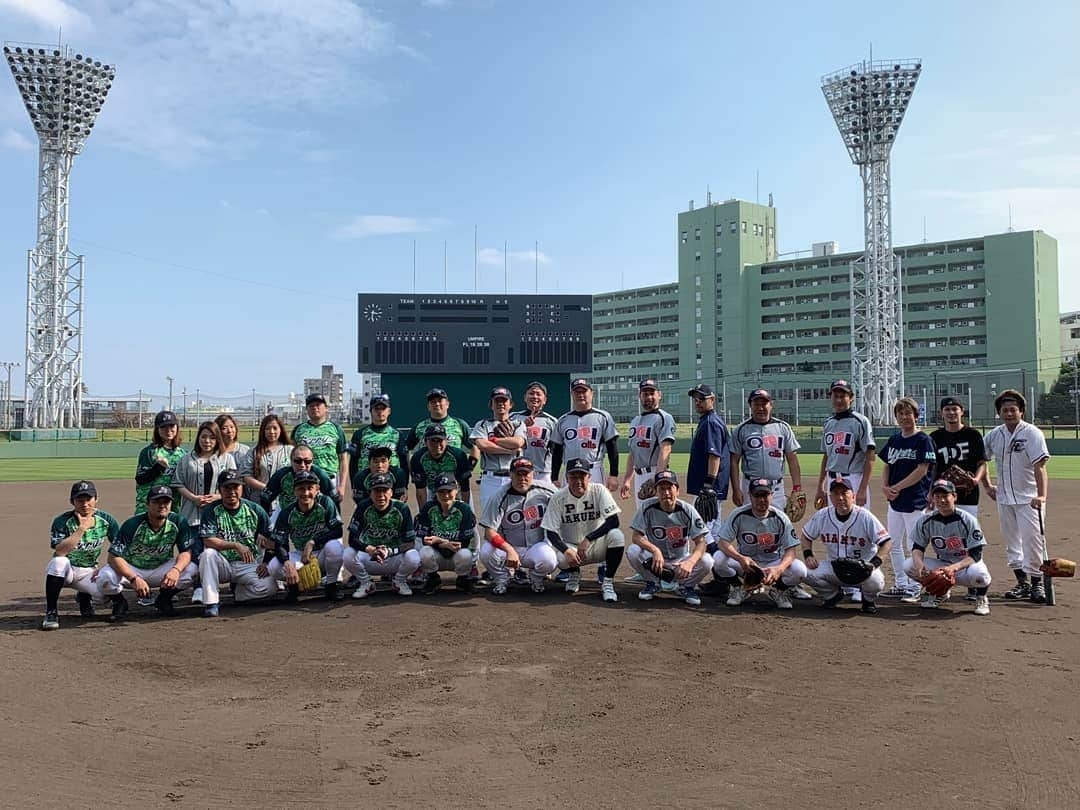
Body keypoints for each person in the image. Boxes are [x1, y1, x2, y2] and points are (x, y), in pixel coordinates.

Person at [983, 389, 1051, 603]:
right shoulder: (995, 434)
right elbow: (980, 459)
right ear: (999, 413)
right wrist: (987, 485)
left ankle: (1037, 585)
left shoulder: (1032, 433)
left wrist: (1042, 496)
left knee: (1033, 542)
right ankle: (1022, 583)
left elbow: (1040, 467)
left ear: (1021, 411)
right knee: (1012, 543)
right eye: (1005, 410)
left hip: (1029, 499)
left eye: (1013, 409)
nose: (1009, 413)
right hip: (1004, 498)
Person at [98, 485, 197, 622]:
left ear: (171, 504)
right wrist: (134, 578)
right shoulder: (133, 524)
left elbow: (186, 552)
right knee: (105, 577)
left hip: (160, 569)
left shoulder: (178, 522)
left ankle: (164, 599)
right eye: (156, 502)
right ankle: (119, 603)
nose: (161, 506)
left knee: (192, 569)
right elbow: (113, 557)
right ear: (147, 504)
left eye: (165, 502)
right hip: (132, 568)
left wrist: (175, 569)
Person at [800, 476, 892, 615]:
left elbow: (887, 542)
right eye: (836, 494)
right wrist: (808, 555)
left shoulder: (865, 517)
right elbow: (806, 536)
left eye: (844, 493)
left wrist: (873, 564)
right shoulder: (823, 515)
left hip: (862, 570)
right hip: (834, 569)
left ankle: (868, 601)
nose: (840, 497)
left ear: (853, 496)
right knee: (804, 571)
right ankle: (833, 596)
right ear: (830, 497)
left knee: (876, 580)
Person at [712, 478, 807, 609]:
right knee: (718, 559)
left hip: (773, 563)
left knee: (800, 570)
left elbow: (791, 551)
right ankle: (741, 589)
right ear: (749, 496)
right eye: (757, 495)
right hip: (747, 564)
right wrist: (740, 558)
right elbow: (722, 542)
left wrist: (779, 569)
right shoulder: (738, 515)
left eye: (765, 495)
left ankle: (778, 591)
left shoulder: (780, 517)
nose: (761, 499)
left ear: (771, 495)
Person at [877, 397, 937, 603]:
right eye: (900, 413)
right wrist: (886, 487)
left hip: (915, 500)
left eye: (908, 413)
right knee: (893, 544)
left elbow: (922, 470)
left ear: (916, 415)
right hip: (895, 501)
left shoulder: (923, 440)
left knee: (914, 545)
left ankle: (915, 586)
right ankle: (901, 584)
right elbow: (886, 465)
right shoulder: (894, 440)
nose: (904, 417)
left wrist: (897, 487)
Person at [905, 479, 993, 615]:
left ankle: (981, 597)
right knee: (908, 565)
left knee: (980, 576)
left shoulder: (967, 520)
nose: (941, 500)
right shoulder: (926, 521)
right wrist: (919, 566)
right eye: (937, 497)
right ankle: (940, 593)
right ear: (932, 499)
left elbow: (976, 554)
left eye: (945, 496)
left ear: (954, 497)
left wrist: (953, 568)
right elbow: (918, 547)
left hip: (966, 566)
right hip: (944, 564)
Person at [541, 458, 624, 602]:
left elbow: (614, 520)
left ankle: (608, 582)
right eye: (573, 476)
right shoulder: (558, 497)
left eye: (582, 476)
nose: (578, 481)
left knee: (617, 536)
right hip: (572, 548)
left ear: (589, 477)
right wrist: (567, 551)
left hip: (597, 545)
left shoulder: (599, 490)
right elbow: (551, 532)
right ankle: (574, 574)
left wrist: (589, 538)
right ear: (566, 478)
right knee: (558, 558)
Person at [41, 480, 120, 630]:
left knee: (105, 594)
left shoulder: (107, 520)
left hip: (88, 572)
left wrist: (105, 569)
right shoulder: (62, 521)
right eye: (79, 500)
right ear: (72, 501)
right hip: (66, 572)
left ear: (96, 499)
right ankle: (51, 612)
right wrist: (82, 528)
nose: (85, 504)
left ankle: (84, 597)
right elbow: (60, 551)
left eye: (88, 499)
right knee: (58, 562)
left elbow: (119, 548)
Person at [196, 469, 276, 618]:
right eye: (227, 487)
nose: (231, 491)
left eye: (235, 487)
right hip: (223, 562)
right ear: (220, 489)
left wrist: (266, 561)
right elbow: (208, 540)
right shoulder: (212, 510)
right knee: (208, 555)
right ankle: (211, 603)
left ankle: (239, 592)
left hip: (248, 563)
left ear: (242, 488)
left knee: (270, 587)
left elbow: (271, 538)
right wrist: (235, 545)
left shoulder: (255, 510)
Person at [930, 396, 987, 601]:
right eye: (947, 409)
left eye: (955, 409)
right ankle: (945, 582)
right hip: (943, 496)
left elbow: (982, 462)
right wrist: (931, 493)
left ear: (962, 411)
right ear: (942, 413)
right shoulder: (935, 436)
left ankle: (972, 584)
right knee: (943, 539)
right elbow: (933, 468)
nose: (951, 412)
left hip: (968, 495)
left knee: (968, 538)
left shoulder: (972, 434)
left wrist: (976, 480)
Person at [626, 471, 711, 607]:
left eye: (669, 488)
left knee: (707, 561)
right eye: (662, 488)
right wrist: (654, 550)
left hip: (680, 562)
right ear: (656, 491)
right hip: (656, 562)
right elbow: (636, 537)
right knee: (633, 551)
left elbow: (701, 542)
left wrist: (690, 562)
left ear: (677, 490)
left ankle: (685, 587)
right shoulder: (647, 507)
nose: (666, 493)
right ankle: (653, 582)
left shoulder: (687, 510)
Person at [478, 457, 559, 595]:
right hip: (507, 547)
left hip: (536, 546)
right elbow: (489, 532)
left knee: (549, 559)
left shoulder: (547, 490)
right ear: (510, 475)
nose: (522, 478)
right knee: (486, 552)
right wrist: (509, 549)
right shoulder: (499, 496)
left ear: (533, 474)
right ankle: (502, 578)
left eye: (526, 473)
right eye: (518, 474)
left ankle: (536, 578)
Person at [269, 470, 346, 601]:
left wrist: (313, 542)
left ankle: (331, 585)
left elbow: (337, 531)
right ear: (294, 491)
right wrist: (287, 562)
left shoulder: (325, 503)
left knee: (335, 547)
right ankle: (294, 586)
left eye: (310, 488)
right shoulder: (287, 512)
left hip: (322, 553)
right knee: (274, 566)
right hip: (300, 554)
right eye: (301, 489)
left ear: (317, 489)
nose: (305, 493)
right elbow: (280, 542)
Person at [342, 473, 420, 598]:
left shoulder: (402, 508)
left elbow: (410, 542)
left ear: (391, 492)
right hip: (370, 557)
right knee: (347, 554)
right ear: (370, 493)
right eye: (377, 491)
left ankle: (399, 581)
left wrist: (390, 551)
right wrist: (370, 549)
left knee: (414, 556)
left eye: (385, 490)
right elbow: (352, 539)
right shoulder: (363, 507)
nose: (381, 495)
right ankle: (366, 583)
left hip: (393, 557)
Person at [729, 388, 802, 512]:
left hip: (776, 488)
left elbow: (792, 459)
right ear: (750, 406)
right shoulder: (741, 429)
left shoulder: (783, 428)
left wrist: (797, 487)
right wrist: (736, 489)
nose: (760, 408)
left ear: (771, 405)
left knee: (778, 523)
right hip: (750, 486)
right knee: (749, 522)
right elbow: (734, 461)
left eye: (764, 404)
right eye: (756, 404)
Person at [815, 379, 875, 509]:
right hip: (833, 481)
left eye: (843, 396)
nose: (838, 400)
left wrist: (862, 489)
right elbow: (827, 457)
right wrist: (820, 486)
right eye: (835, 396)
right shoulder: (828, 423)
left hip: (853, 479)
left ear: (851, 398)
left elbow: (870, 457)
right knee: (836, 524)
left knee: (858, 524)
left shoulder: (861, 422)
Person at [550, 378, 619, 491]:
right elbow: (557, 450)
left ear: (591, 393)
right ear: (572, 394)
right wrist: (554, 477)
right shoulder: (563, 420)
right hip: (570, 471)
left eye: (584, 391)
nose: (580, 395)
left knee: (596, 505)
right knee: (569, 506)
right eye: (577, 392)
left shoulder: (603, 417)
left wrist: (614, 475)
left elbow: (612, 446)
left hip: (594, 470)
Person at [620, 378, 677, 509]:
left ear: (659, 395)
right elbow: (632, 453)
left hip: (655, 473)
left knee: (657, 516)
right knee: (643, 517)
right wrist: (627, 480)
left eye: (652, 393)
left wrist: (656, 479)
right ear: (639, 396)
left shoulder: (664, 418)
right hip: (639, 476)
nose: (649, 397)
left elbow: (666, 449)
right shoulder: (635, 421)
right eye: (645, 394)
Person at [415, 474, 478, 594]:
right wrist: (445, 544)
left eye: (449, 491)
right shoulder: (428, 508)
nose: (446, 495)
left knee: (465, 555)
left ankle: (462, 580)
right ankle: (433, 579)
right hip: (436, 555)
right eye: (442, 492)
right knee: (424, 552)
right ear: (436, 492)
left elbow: (464, 543)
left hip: (457, 555)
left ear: (456, 490)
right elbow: (425, 539)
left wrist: (439, 541)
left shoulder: (464, 509)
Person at [685, 384, 730, 544]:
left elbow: (714, 456)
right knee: (713, 530)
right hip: (713, 487)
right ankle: (724, 567)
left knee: (700, 528)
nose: (697, 402)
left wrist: (708, 485)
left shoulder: (710, 422)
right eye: (695, 399)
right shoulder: (709, 420)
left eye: (701, 399)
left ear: (712, 400)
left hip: (709, 487)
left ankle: (723, 563)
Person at [470, 386, 527, 512]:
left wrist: (494, 440)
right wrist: (509, 450)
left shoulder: (518, 423)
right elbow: (482, 445)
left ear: (510, 404)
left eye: (504, 400)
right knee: (489, 518)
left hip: (513, 477)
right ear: (491, 405)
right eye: (497, 401)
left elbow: (517, 442)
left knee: (514, 517)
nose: (500, 404)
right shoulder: (483, 424)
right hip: (490, 478)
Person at [172, 420, 237, 529]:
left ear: (217, 440)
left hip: (219, 517)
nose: (207, 441)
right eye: (203, 437)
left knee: (216, 546)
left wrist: (218, 496)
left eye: (212, 437)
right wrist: (194, 498)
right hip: (191, 517)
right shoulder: (186, 459)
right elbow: (178, 483)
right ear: (198, 438)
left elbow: (235, 486)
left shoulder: (227, 459)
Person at [292, 393, 349, 502]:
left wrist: (342, 486)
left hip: (329, 479)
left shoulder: (336, 429)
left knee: (331, 514)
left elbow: (343, 460)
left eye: (318, 404)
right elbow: (292, 457)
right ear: (307, 409)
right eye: (311, 406)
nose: (315, 408)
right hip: (304, 481)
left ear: (326, 408)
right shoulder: (299, 430)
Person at [260, 444, 336, 518]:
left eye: (307, 461)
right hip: (287, 517)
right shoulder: (281, 475)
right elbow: (265, 498)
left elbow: (334, 499)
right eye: (298, 461)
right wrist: (265, 522)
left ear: (312, 461)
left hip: (314, 518)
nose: (302, 465)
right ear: (291, 461)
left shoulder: (320, 475)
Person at [409, 424, 472, 509]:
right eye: (433, 440)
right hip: (432, 490)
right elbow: (421, 490)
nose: (437, 444)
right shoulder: (418, 458)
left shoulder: (458, 455)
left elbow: (465, 487)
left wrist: (466, 509)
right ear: (425, 442)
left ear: (446, 441)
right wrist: (423, 513)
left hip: (456, 491)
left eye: (440, 440)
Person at [133, 409, 184, 514]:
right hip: (148, 507)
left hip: (172, 507)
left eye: (171, 426)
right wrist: (158, 467)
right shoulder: (149, 452)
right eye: (163, 427)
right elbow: (140, 479)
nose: (168, 430)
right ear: (157, 429)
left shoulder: (182, 454)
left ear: (177, 428)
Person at [347, 393, 408, 479]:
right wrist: (354, 485)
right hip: (366, 482)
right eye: (376, 409)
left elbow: (403, 462)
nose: (380, 412)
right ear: (371, 411)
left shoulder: (397, 434)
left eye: (383, 408)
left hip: (391, 483)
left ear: (389, 411)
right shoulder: (359, 434)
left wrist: (404, 485)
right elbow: (353, 462)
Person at [511, 381, 558, 486]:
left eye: (538, 394)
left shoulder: (552, 422)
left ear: (545, 400)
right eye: (531, 393)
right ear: (524, 397)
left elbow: (557, 450)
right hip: (518, 470)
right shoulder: (513, 418)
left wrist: (555, 475)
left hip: (542, 473)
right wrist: (522, 425)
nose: (534, 396)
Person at [403, 387, 474, 455]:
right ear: (428, 407)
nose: (437, 404)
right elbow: (406, 449)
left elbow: (474, 447)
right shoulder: (420, 426)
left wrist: (470, 466)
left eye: (440, 401)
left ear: (447, 404)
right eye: (433, 402)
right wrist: (410, 466)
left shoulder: (459, 424)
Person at [241, 414, 294, 501]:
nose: (271, 432)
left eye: (275, 428)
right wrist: (267, 488)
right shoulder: (253, 451)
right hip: (259, 499)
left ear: (281, 430)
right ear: (263, 431)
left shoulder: (290, 450)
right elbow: (246, 476)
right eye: (268, 429)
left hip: (283, 500)